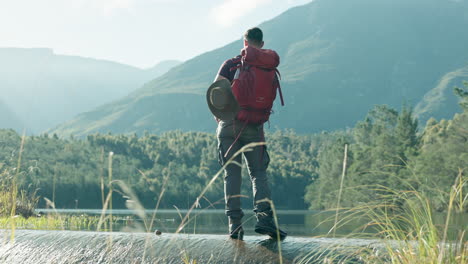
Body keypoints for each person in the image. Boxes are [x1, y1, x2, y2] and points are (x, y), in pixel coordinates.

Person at [211, 27, 286, 240]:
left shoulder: (232, 63)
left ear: (245, 43)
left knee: (232, 174)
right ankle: (265, 219)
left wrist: (220, 117)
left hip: (229, 125)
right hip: (255, 127)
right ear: (261, 44)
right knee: (259, 173)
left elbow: (216, 91)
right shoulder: (268, 67)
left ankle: (235, 225)